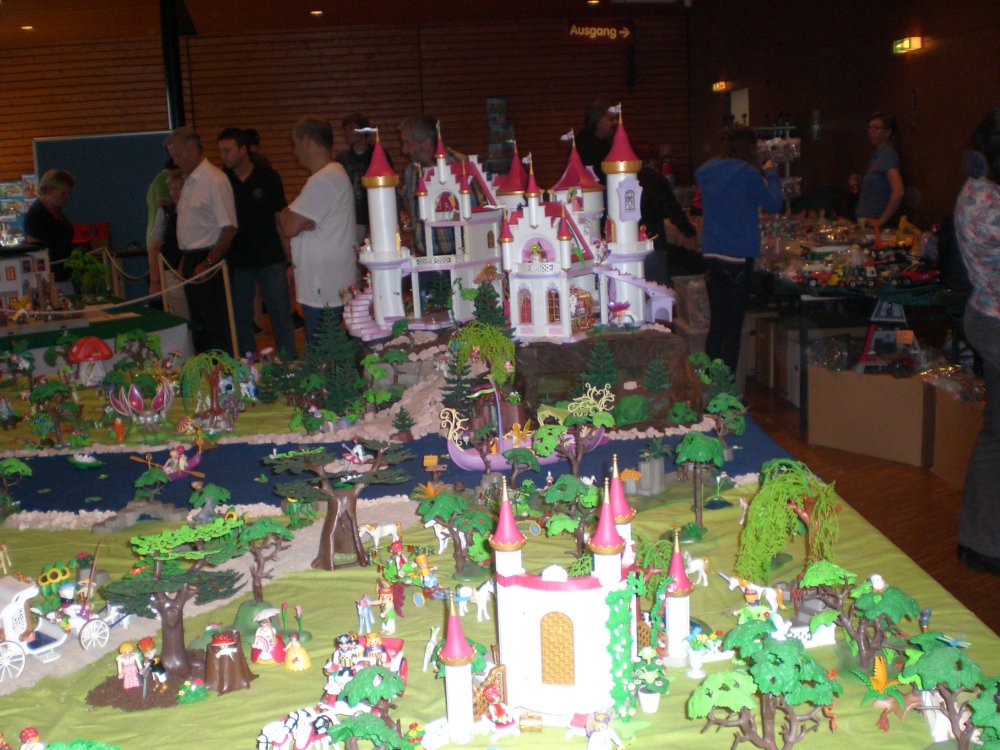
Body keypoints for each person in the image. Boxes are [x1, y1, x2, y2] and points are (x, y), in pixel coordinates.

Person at [695, 126, 782, 374]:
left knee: (717, 324)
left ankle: (709, 381)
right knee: (733, 326)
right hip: (739, 254)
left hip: (712, 251)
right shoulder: (748, 174)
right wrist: (771, 173)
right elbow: (774, 203)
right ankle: (726, 386)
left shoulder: (707, 171)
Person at [955, 107, 1000, 576]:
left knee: (995, 433)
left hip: (986, 315)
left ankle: (981, 541)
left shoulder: (978, 190)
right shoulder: (989, 206)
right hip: (995, 321)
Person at [218, 127, 297, 360]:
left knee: (280, 313)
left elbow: (279, 219)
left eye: (228, 150)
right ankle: (248, 364)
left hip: (269, 256)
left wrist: (289, 259)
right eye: (221, 151)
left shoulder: (268, 177)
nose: (223, 156)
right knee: (241, 317)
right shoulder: (222, 181)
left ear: (243, 150)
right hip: (237, 259)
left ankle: (288, 361)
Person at [280, 115, 358, 343]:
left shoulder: (324, 179)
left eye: (295, 144)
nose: (294, 151)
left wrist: (288, 213)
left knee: (323, 354)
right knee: (330, 350)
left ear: (307, 141)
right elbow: (293, 221)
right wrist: (293, 215)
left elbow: (289, 226)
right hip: (328, 284)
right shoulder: (331, 175)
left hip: (324, 287)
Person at [164, 126, 238, 354]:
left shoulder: (214, 179)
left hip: (209, 259)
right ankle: (205, 371)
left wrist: (208, 262)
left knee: (215, 325)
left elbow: (229, 227)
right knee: (199, 325)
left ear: (192, 149)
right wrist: (184, 262)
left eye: (178, 155)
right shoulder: (189, 182)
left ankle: (223, 372)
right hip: (191, 259)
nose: (175, 161)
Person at [399, 115, 475, 257]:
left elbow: (474, 212)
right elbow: (409, 206)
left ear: (426, 143)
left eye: (408, 143)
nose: (404, 150)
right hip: (425, 256)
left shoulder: (460, 165)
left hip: (459, 256)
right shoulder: (411, 171)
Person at [634, 141, 699, 285]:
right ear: (652, 160)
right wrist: (690, 231)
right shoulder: (655, 179)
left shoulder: (627, 178)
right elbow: (673, 209)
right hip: (654, 242)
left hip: (632, 244)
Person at [337, 113, 393, 247]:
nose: (347, 133)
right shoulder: (342, 158)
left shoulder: (378, 154)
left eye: (351, 129)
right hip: (351, 216)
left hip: (376, 213)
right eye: (345, 130)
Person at [147, 169, 190, 317]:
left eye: (179, 188)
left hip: (191, 271)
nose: (175, 193)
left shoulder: (194, 211)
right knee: (178, 314)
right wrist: (155, 282)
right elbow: (154, 248)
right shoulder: (165, 212)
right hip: (170, 273)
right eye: (172, 189)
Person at [852, 112, 905, 228]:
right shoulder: (877, 155)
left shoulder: (888, 155)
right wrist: (860, 183)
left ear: (888, 132)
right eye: (869, 127)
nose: (870, 131)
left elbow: (898, 191)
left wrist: (881, 220)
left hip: (876, 224)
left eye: (876, 128)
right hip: (865, 220)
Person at [25, 168, 76, 286]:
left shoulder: (56, 210)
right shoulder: (36, 215)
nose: (66, 197)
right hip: (50, 278)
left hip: (64, 274)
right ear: (49, 190)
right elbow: (36, 253)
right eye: (62, 193)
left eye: (68, 193)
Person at [575, 102, 617, 184]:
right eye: (611, 119)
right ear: (597, 121)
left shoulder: (603, 144)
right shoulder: (584, 146)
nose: (615, 122)